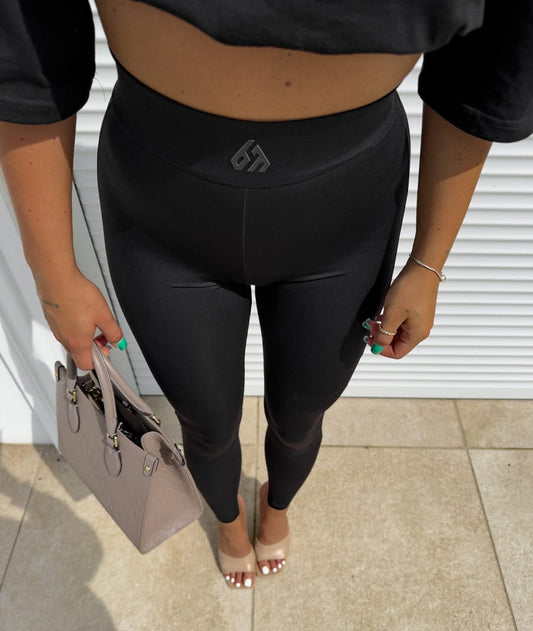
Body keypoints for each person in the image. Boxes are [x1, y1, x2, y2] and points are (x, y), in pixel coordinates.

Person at [1, 1, 532, 590]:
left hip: (344, 218)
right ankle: (229, 521)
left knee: (301, 416)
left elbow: (482, 74)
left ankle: (277, 505)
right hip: (160, 216)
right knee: (204, 423)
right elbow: (25, 50)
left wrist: (428, 263)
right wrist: (53, 275)